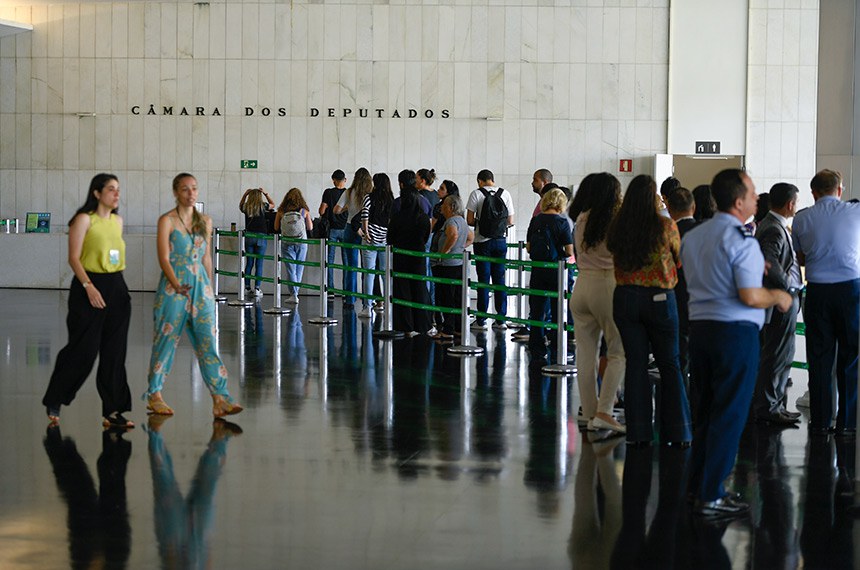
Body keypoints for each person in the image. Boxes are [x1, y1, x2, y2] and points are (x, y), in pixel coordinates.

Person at [682, 168, 792, 517]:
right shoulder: (742, 241)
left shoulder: (694, 237)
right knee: (729, 414)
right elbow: (748, 295)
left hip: (699, 331)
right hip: (734, 334)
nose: (758, 198)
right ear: (739, 200)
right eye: (753, 192)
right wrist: (777, 296)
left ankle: (696, 485)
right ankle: (712, 493)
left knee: (705, 411)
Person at [144, 173, 243, 419]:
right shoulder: (166, 220)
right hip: (173, 286)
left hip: (200, 286)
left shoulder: (205, 221)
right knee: (166, 339)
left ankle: (220, 398)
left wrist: (209, 287)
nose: (191, 193)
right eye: (185, 189)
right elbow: (163, 257)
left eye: (194, 189)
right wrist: (176, 284)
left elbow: (207, 256)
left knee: (207, 341)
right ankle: (154, 394)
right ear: (176, 192)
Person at [42, 173, 135, 428]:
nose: (117, 194)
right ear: (97, 193)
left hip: (116, 286)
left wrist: (119, 292)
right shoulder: (84, 220)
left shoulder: (118, 221)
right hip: (88, 286)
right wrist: (89, 287)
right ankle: (55, 398)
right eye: (111, 189)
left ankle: (114, 411)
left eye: (118, 189)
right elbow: (74, 258)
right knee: (83, 350)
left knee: (114, 354)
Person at [607, 174, 691, 444]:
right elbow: (679, 258)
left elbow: (611, 252)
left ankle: (638, 432)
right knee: (670, 364)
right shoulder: (665, 226)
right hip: (660, 299)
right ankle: (678, 432)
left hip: (625, 298)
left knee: (636, 364)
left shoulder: (618, 226)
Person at [792, 169, 860, 435]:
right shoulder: (855, 212)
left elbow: (801, 258)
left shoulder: (802, 219)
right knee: (850, 357)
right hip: (851, 292)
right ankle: (848, 423)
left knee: (819, 357)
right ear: (840, 190)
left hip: (818, 292)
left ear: (813, 192)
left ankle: (821, 422)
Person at [569, 173, 626, 434]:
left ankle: (589, 412)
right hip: (608, 285)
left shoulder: (580, 218)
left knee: (584, 354)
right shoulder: (616, 219)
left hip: (581, 286)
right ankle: (605, 412)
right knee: (617, 351)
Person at [751, 183, 803, 426]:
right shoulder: (773, 228)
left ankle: (775, 404)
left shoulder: (772, 225)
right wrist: (786, 288)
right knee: (777, 354)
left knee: (781, 353)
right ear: (790, 204)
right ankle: (769, 406)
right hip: (779, 299)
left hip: (779, 298)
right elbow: (768, 260)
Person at [526, 189, 573, 362]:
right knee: (558, 309)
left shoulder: (535, 220)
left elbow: (529, 247)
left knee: (537, 309)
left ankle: (536, 346)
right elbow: (569, 251)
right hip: (556, 270)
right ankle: (557, 345)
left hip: (538, 269)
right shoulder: (562, 222)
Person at [466, 169, 515, 330]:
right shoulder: (505, 193)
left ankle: (481, 320)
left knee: (483, 280)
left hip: (482, 242)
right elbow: (510, 220)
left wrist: (483, 223)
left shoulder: (476, 194)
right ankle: (501, 320)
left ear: (480, 180)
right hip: (500, 241)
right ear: (492, 180)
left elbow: (470, 220)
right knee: (500, 280)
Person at [387, 169, 433, 335]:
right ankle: (423, 324)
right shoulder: (424, 207)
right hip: (419, 253)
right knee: (420, 287)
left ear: (400, 184)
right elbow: (427, 232)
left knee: (402, 289)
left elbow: (389, 236)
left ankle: (405, 325)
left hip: (401, 254)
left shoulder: (397, 208)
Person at [666, 187, 699, 390]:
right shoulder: (705, 231)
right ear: (693, 207)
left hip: (675, 298)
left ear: (669, 209)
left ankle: (678, 398)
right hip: (702, 300)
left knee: (677, 355)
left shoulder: (668, 232)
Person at [431, 194, 474, 339]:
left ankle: (447, 330)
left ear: (451, 207)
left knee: (446, 297)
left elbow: (453, 236)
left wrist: (443, 253)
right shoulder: (462, 220)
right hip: (458, 265)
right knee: (456, 298)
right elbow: (470, 237)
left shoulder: (451, 221)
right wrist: (460, 248)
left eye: (444, 205)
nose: (442, 207)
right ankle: (457, 327)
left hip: (447, 265)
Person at [334, 167, 373, 311]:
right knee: (367, 266)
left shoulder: (348, 192)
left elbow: (336, 210)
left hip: (350, 229)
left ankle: (349, 299)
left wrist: (347, 208)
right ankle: (367, 300)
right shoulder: (370, 194)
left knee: (351, 266)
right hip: (366, 230)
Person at [358, 173, 394, 319]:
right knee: (385, 274)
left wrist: (366, 232)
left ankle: (367, 307)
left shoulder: (368, 197)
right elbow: (392, 220)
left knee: (369, 273)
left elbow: (364, 215)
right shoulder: (392, 200)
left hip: (370, 238)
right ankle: (387, 304)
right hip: (385, 239)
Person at [274, 187, 314, 304]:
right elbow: (310, 227)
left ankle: (294, 294)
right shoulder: (303, 211)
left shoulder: (281, 211)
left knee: (291, 269)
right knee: (299, 268)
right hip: (301, 242)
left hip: (287, 242)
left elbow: (276, 227)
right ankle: (296, 293)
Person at [238, 187, 274, 297]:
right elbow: (273, 204)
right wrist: (266, 193)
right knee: (259, 264)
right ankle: (257, 289)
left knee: (249, 263)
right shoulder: (263, 206)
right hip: (261, 236)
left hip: (249, 236)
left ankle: (247, 288)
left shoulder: (246, 207)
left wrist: (245, 194)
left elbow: (240, 205)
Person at [318, 170, 349, 297]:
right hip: (346, 229)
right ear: (345, 180)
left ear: (333, 180)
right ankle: (346, 291)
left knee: (329, 260)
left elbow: (321, 211)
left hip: (332, 229)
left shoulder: (328, 192)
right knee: (346, 261)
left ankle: (330, 290)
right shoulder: (349, 193)